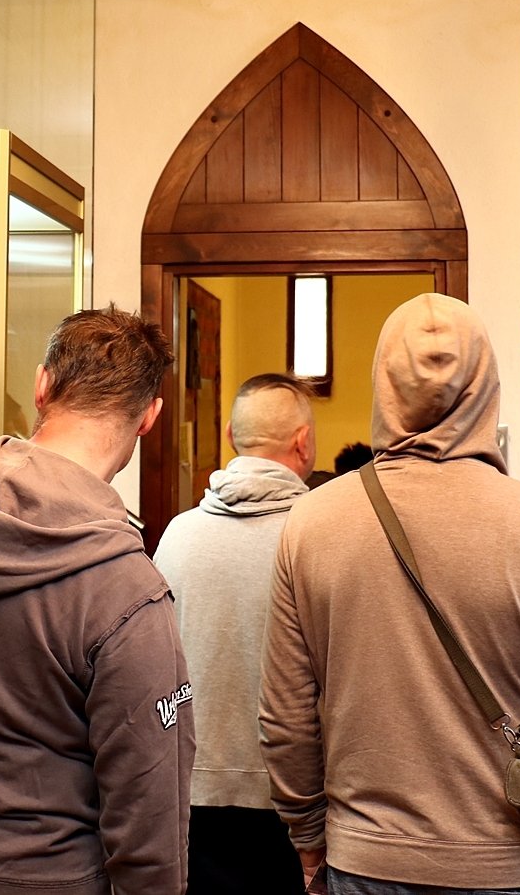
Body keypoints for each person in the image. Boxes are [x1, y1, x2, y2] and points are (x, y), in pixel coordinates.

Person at [262, 293, 520, 895]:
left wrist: (309, 836)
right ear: (486, 386)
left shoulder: (311, 523)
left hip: (367, 861)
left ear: (382, 384)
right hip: (516, 865)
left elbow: (287, 720)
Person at [0, 306, 193, 895]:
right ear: (149, 418)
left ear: (41, 385)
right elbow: (149, 802)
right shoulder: (128, 589)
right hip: (54, 877)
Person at [154, 373, 315, 895]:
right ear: (303, 442)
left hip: (192, 792)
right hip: (296, 800)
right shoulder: (318, 536)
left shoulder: (177, 536)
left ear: (230, 436)